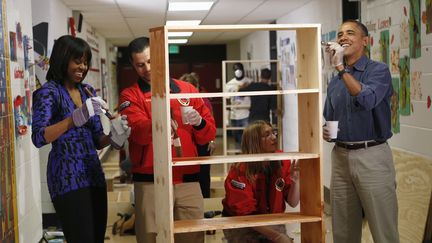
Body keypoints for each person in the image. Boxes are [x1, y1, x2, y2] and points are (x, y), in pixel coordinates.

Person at [31, 35, 130, 243]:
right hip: (67, 177)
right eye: (77, 61)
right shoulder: (49, 93)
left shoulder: (87, 91)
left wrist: (115, 136)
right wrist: (73, 120)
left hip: (92, 173)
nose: (82, 67)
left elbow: (96, 139)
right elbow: (39, 137)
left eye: (85, 62)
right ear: (62, 59)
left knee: (96, 238)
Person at [119, 37, 216, 243]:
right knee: (151, 238)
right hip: (150, 182)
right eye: (140, 65)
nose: (146, 68)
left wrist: (199, 123)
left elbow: (208, 134)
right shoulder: (130, 95)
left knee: (193, 237)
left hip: (188, 179)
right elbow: (137, 132)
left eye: (150, 61)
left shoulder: (187, 90)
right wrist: (160, 119)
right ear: (133, 67)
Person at [323, 20, 399, 243]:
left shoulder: (379, 71)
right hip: (340, 157)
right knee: (343, 231)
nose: (343, 37)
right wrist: (327, 131)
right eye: (340, 34)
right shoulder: (335, 82)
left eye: (350, 33)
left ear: (365, 41)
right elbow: (330, 116)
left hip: (372, 156)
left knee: (383, 231)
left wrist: (340, 68)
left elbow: (367, 99)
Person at [222, 120, 299, 243]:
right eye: (267, 135)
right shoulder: (239, 170)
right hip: (243, 224)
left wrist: (296, 181)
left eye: (273, 133)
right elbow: (246, 215)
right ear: (255, 142)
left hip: (270, 220)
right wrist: (276, 236)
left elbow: (293, 202)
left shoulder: (281, 160)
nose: (274, 137)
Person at [179, 72, 215, 198]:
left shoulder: (202, 100)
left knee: (203, 173)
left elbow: (210, 121)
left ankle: (204, 199)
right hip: (189, 141)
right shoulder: (180, 100)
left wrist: (211, 140)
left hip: (201, 140)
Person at [226, 62, 251, 148]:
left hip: (246, 114)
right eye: (236, 69)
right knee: (236, 138)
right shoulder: (229, 84)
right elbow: (227, 101)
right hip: (234, 116)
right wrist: (226, 119)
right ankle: (239, 158)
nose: (238, 71)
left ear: (243, 69)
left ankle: (246, 157)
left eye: (239, 68)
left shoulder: (249, 82)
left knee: (247, 138)